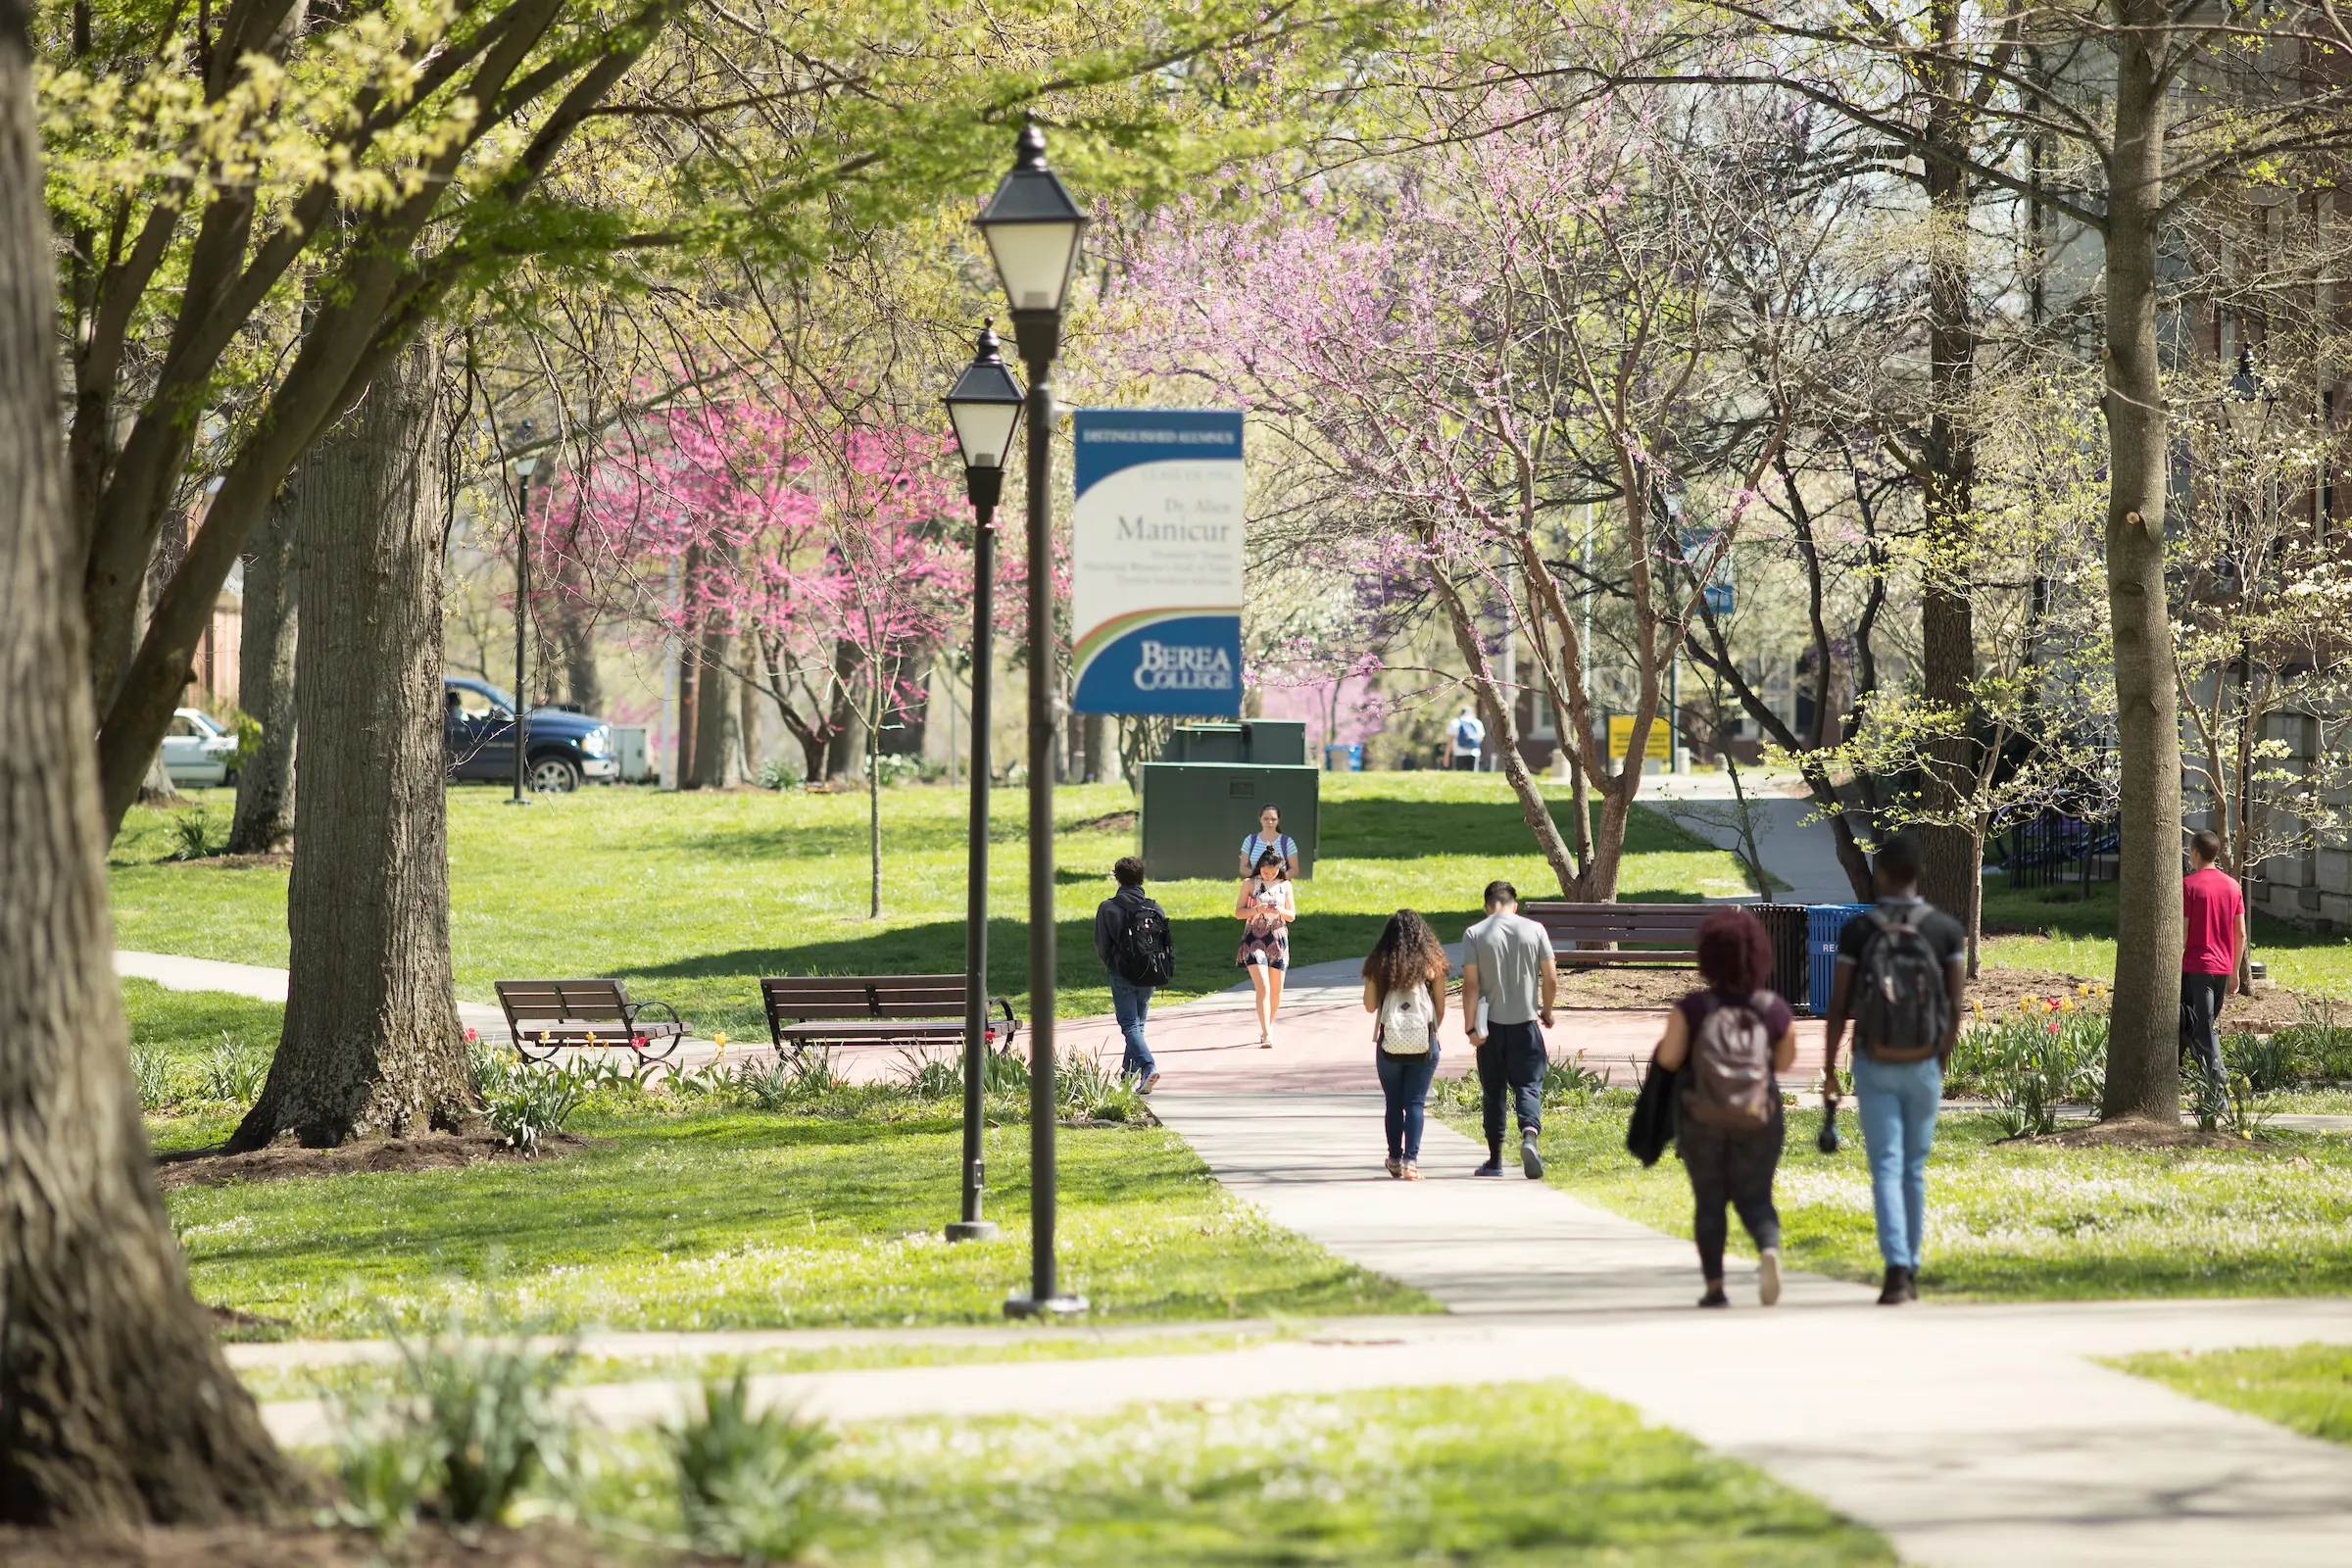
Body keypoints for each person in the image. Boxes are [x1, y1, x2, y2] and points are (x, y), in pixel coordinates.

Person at [1821, 833, 1967, 1306]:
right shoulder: (1945, 930)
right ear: (1919, 872)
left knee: (1885, 1165)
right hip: (1923, 1060)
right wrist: (1938, 1060)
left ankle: (1896, 1269)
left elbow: (1840, 1004)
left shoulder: (1859, 931)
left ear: (1881, 874)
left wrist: (1829, 1068)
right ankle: (1913, 1266)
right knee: (1913, 1169)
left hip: (1874, 1060)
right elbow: (1954, 1005)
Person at [1654, 907, 1798, 1308]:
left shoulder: (1693, 1009)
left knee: (1710, 1199)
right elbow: (1785, 1064)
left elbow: (1668, 1059)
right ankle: (1767, 1248)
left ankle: (1716, 1287)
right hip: (1759, 1117)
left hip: (1703, 1117)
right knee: (1756, 1196)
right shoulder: (1773, 1009)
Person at [1461, 879, 1557, 1177]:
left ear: (1487, 906)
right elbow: (1551, 978)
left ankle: (1495, 1160)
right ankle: (1529, 1135)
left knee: (1493, 1091)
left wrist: (1470, 1028)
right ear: (1514, 905)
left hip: (1489, 1027)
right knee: (1528, 1085)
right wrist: (1548, 1010)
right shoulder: (1535, 930)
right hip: (1525, 1023)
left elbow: (1471, 985)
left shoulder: (1474, 934)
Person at [1362, 909, 1448, 1180]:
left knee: (1393, 1103)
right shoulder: (1432, 965)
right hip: (1424, 1042)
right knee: (1415, 1103)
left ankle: (1395, 1158)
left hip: (1390, 1043)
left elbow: (1368, 1006)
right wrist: (1426, 1032)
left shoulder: (1380, 965)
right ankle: (1412, 1161)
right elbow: (1440, 1010)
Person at [1094, 857, 1171, 1091]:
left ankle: (1148, 1066)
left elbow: (1102, 945)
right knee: (1138, 1025)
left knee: (1129, 1025)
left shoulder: (1108, 907)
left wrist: (1111, 964)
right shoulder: (1155, 907)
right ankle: (1127, 1080)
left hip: (1122, 972)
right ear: (1141, 878)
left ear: (1117, 878)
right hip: (1150, 972)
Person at [2180, 828, 2246, 1092]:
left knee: (2202, 1028)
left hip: (2195, 969)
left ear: (2195, 853)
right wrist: (2234, 973)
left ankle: (2218, 1087)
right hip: (2221, 970)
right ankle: (2180, 1075)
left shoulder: (2188, 886)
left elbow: (2181, 935)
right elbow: (2240, 933)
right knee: (2191, 1025)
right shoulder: (2233, 886)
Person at [1235, 847, 1297, 1047]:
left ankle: (1265, 1028)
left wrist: (1280, 910)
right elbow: (1238, 912)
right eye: (1265, 871)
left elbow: (1292, 915)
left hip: (1277, 937)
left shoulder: (1285, 885)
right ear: (1259, 867)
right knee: (1263, 986)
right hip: (1255, 938)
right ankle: (1267, 1033)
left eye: (1273, 872)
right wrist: (1256, 909)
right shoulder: (1249, 884)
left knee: (1276, 991)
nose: (1269, 876)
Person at [1237, 803, 1300, 880]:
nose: (1269, 822)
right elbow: (1243, 868)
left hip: (1279, 887)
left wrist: (1276, 878)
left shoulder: (1287, 842)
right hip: (1256, 886)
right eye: (1266, 819)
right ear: (1260, 819)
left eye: (1273, 819)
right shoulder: (1250, 840)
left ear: (1278, 820)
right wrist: (1259, 877)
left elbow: (1294, 870)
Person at [1448, 705, 1486, 771]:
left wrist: (1447, 755)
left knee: (1459, 774)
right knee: (1472, 775)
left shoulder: (1455, 722)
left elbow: (1450, 740)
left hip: (1459, 752)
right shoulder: (1477, 722)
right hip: (1474, 752)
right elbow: (1481, 738)